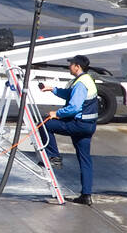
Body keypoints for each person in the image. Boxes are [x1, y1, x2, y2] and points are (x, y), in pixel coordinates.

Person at [39, 55, 99, 205]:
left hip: (78, 124)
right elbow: (70, 95)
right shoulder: (86, 79)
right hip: (88, 125)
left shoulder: (80, 84)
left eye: (71, 64)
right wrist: (52, 89)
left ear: (77, 66)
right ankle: (86, 195)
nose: (69, 66)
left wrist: (56, 114)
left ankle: (54, 157)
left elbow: (74, 107)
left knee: (44, 124)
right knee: (85, 160)